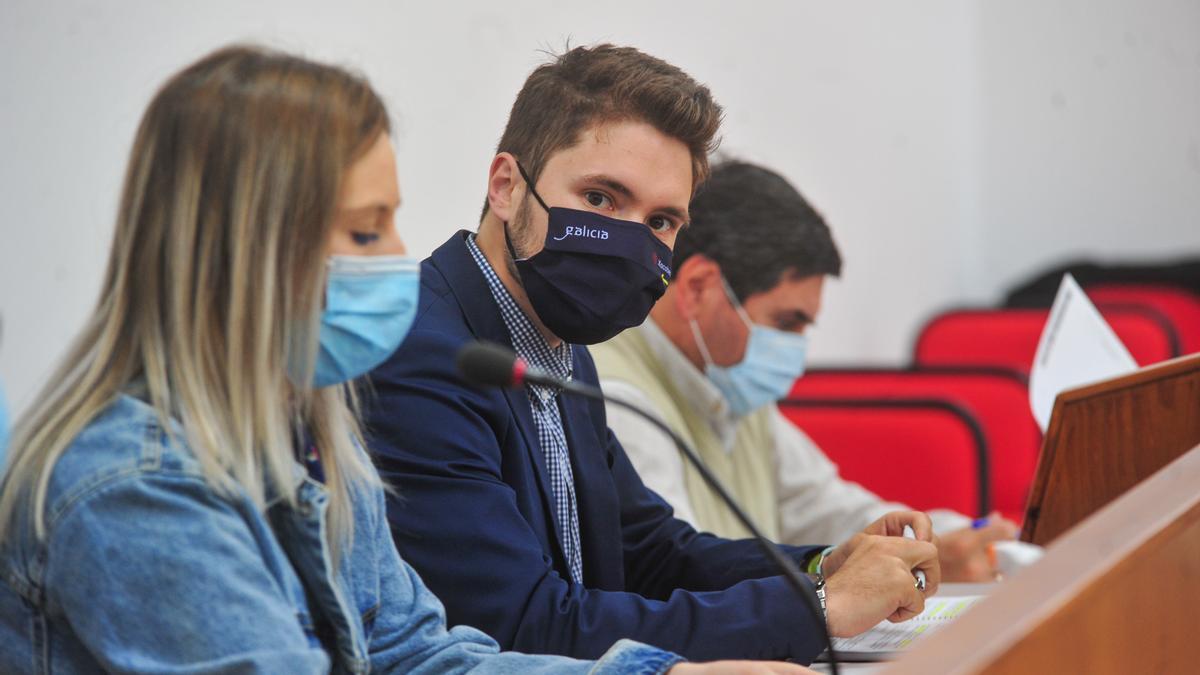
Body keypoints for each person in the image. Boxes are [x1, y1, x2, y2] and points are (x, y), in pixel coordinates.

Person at [0, 45, 804, 675]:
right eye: (362, 231)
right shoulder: (137, 485)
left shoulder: (315, 441)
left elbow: (421, 654)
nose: (397, 257)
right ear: (238, 249)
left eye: (390, 223)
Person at [363, 44, 941, 664]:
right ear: (505, 186)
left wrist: (825, 565)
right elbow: (521, 625)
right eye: (602, 199)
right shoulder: (421, 353)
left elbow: (650, 551)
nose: (631, 243)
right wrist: (820, 610)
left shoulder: (557, 345)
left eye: (662, 220)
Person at [590, 160, 1020, 583]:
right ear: (699, 287)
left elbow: (830, 510)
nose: (795, 347)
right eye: (785, 323)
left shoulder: (726, 381)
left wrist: (947, 541)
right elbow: (677, 576)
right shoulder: (617, 397)